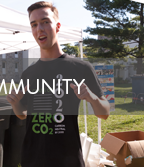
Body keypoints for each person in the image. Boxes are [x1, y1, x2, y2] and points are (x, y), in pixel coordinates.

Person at [6, 1, 110, 167]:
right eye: (34, 24)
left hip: (67, 159)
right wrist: (15, 103)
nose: (39, 28)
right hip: (32, 158)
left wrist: (92, 98)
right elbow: (22, 114)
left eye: (45, 22)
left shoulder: (80, 67)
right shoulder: (29, 73)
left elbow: (104, 113)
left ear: (58, 26)